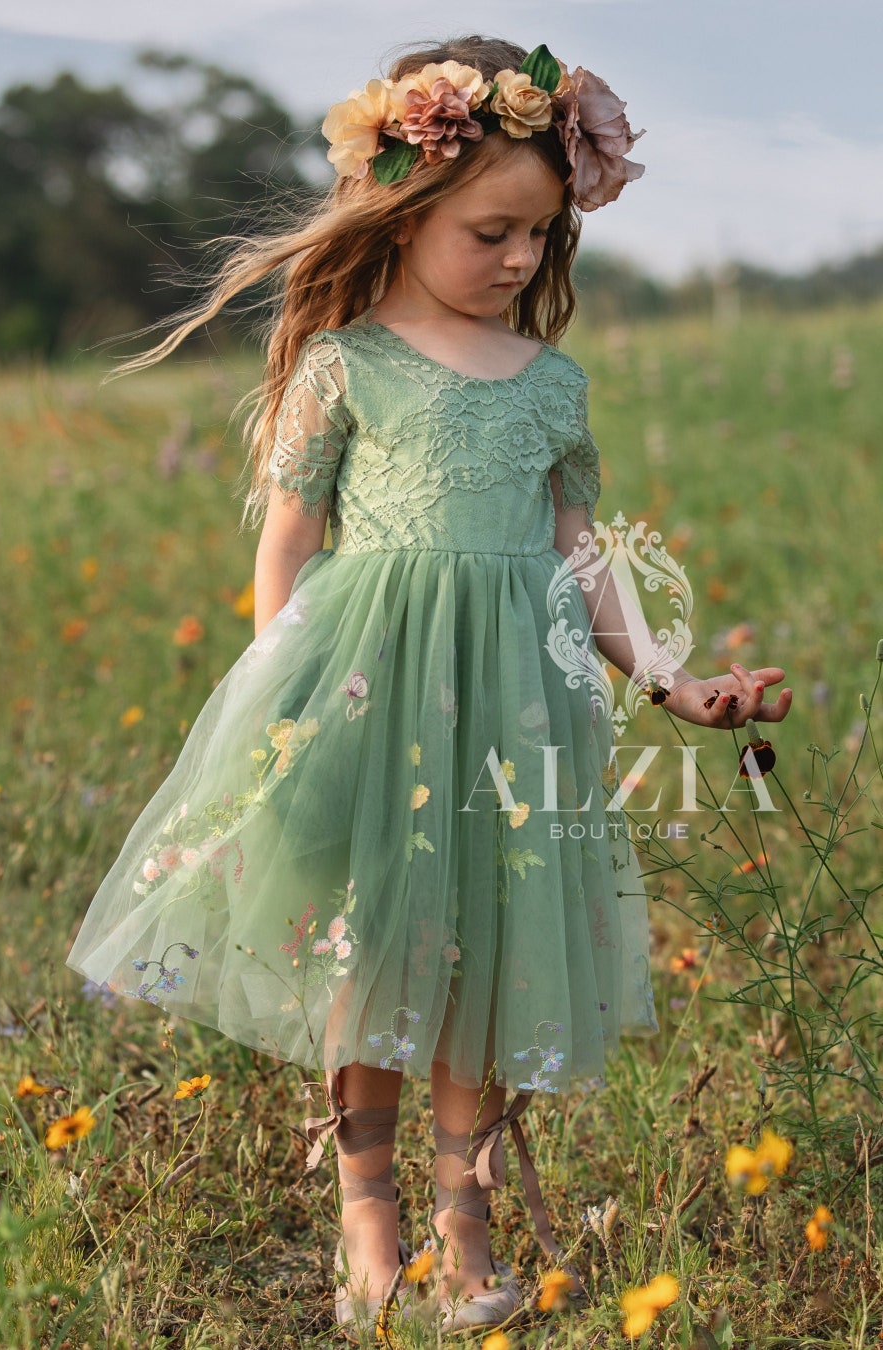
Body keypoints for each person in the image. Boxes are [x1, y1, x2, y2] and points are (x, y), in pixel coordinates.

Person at [66, 35, 793, 1340]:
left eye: (539, 235)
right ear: (403, 215)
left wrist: (678, 682)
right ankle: (366, 1207)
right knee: (372, 947)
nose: (519, 259)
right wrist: (275, 685)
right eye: (490, 232)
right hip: (366, 692)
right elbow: (287, 539)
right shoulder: (350, 365)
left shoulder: (551, 388)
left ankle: (464, 1208)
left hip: (512, 709)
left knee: (479, 960)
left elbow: (584, 559)